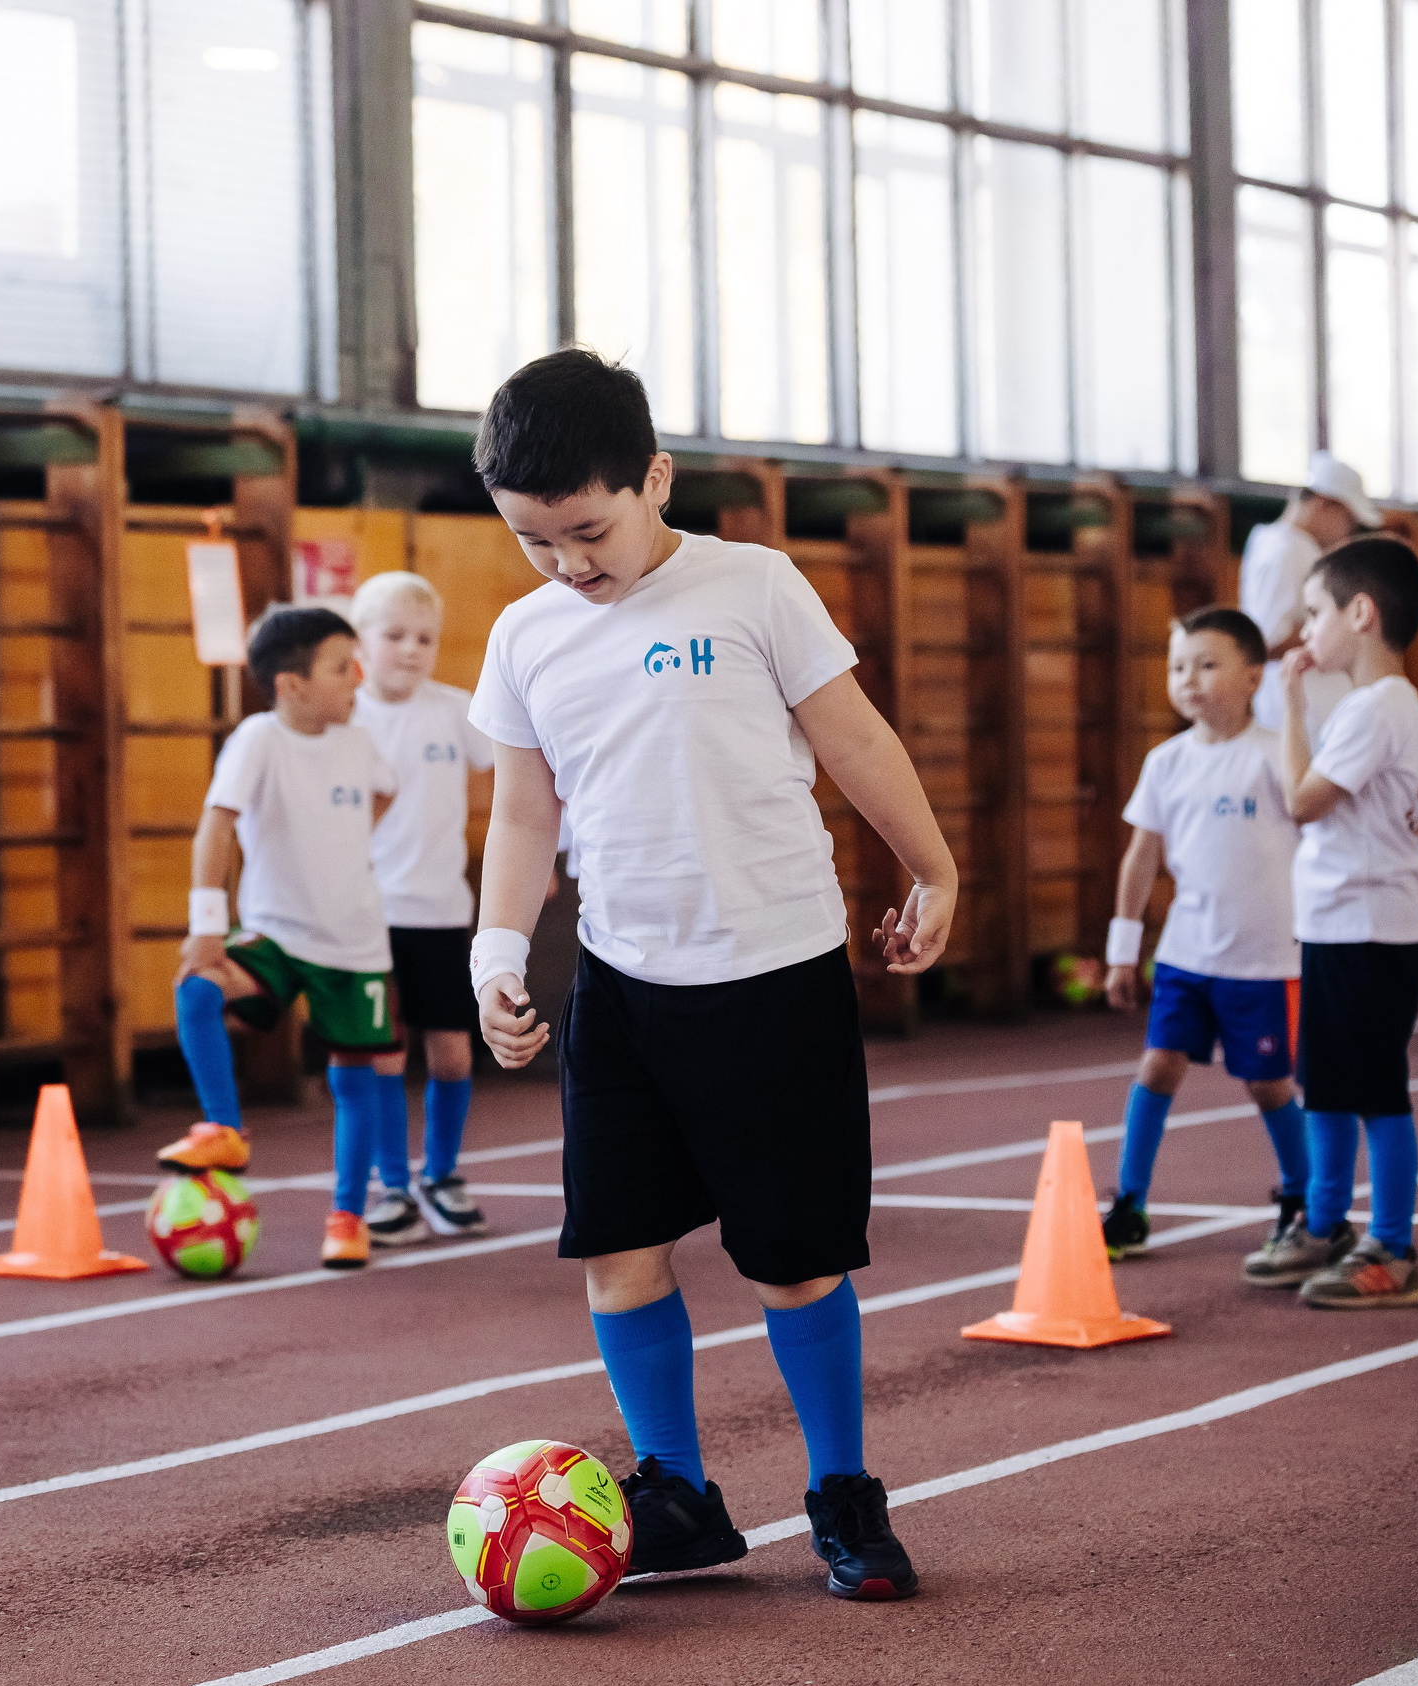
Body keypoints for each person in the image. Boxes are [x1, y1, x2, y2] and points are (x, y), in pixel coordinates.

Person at [465, 349, 957, 1602]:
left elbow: (853, 734)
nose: (568, 564)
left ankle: (842, 1491)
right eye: (533, 541)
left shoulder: (755, 586)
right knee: (619, 1249)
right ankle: (674, 1491)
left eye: (586, 530)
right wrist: (497, 948)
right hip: (621, 985)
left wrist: (933, 871)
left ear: (654, 479)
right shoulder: (525, 634)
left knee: (791, 1256)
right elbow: (525, 811)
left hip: (771, 972)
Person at [162, 605, 401, 1272]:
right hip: (275, 933)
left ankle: (348, 1216)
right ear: (291, 685)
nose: (358, 679)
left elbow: (385, 792)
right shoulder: (259, 739)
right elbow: (216, 824)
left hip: (355, 948)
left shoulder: (359, 743)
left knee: (352, 1083)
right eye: (339, 668)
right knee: (197, 987)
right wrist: (208, 925)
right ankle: (225, 1128)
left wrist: (342, 849)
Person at [1253, 537, 1418, 1308]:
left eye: (1315, 613)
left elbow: (1300, 801)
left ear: (1360, 614)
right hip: (1342, 924)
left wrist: (1291, 703)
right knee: (1326, 1085)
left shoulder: (1379, 708)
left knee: (1376, 1093)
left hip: (1368, 930)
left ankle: (1392, 1249)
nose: (1304, 633)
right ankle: (1325, 1223)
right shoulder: (1382, 709)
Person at [1097, 609, 1309, 1272]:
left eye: (1208, 664)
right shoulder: (1166, 762)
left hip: (1266, 960)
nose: (1190, 678)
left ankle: (1304, 1201)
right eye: (1179, 665)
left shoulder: (1278, 755)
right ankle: (1130, 1202)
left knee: (1269, 1083)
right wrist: (1123, 950)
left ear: (1254, 676)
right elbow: (1140, 857)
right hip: (1187, 955)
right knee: (1158, 1065)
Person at [349, 571, 497, 1244]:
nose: (411, 650)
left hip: (440, 912)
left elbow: (521, 770)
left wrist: (526, 861)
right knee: (381, 1052)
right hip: (367, 915)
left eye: (425, 639)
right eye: (395, 636)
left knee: (452, 1056)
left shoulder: (456, 710)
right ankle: (391, 1184)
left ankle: (442, 1174)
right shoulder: (345, 718)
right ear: (360, 641)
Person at [1236, 451, 1379, 738]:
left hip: (1293, 701)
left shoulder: (1266, 541)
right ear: (1324, 504)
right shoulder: (1292, 551)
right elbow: (1272, 640)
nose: (1347, 533)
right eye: (1348, 520)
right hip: (1307, 704)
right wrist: (1341, 626)